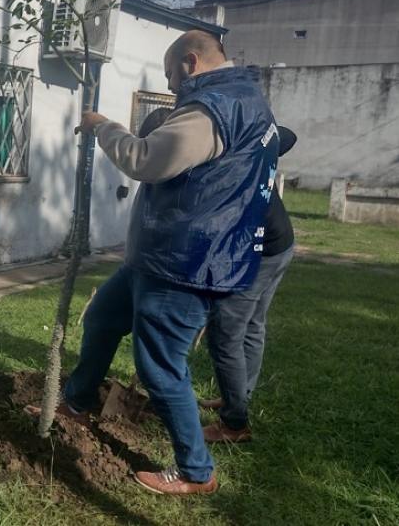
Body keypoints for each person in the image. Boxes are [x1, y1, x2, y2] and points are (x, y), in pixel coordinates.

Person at [56, 30, 279, 495]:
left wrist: (102, 126)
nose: (170, 84)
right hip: (160, 258)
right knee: (101, 318)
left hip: (184, 265)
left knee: (160, 366)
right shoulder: (245, 101)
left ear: (190, 63)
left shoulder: (213, 109)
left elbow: (147, 160)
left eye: (170, 74)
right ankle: (75, 403)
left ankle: (197, 471)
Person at [200, 126, 297, 443]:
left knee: (224, 333)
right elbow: (287, 136)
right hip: (280, 242)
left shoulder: (225, 162)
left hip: (262, 251)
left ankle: (234, 423)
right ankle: (238, 396)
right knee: (253, 323)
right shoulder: (249, 143)